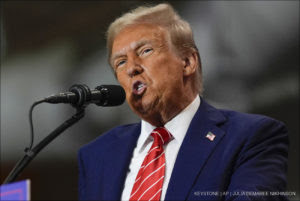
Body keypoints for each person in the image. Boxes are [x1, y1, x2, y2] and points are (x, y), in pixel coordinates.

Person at [78, 3, 289, 201]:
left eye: (145, 51)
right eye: (120, 62)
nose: (131, 68)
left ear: (187, 62)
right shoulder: (97, 155)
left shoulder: (250, 138)